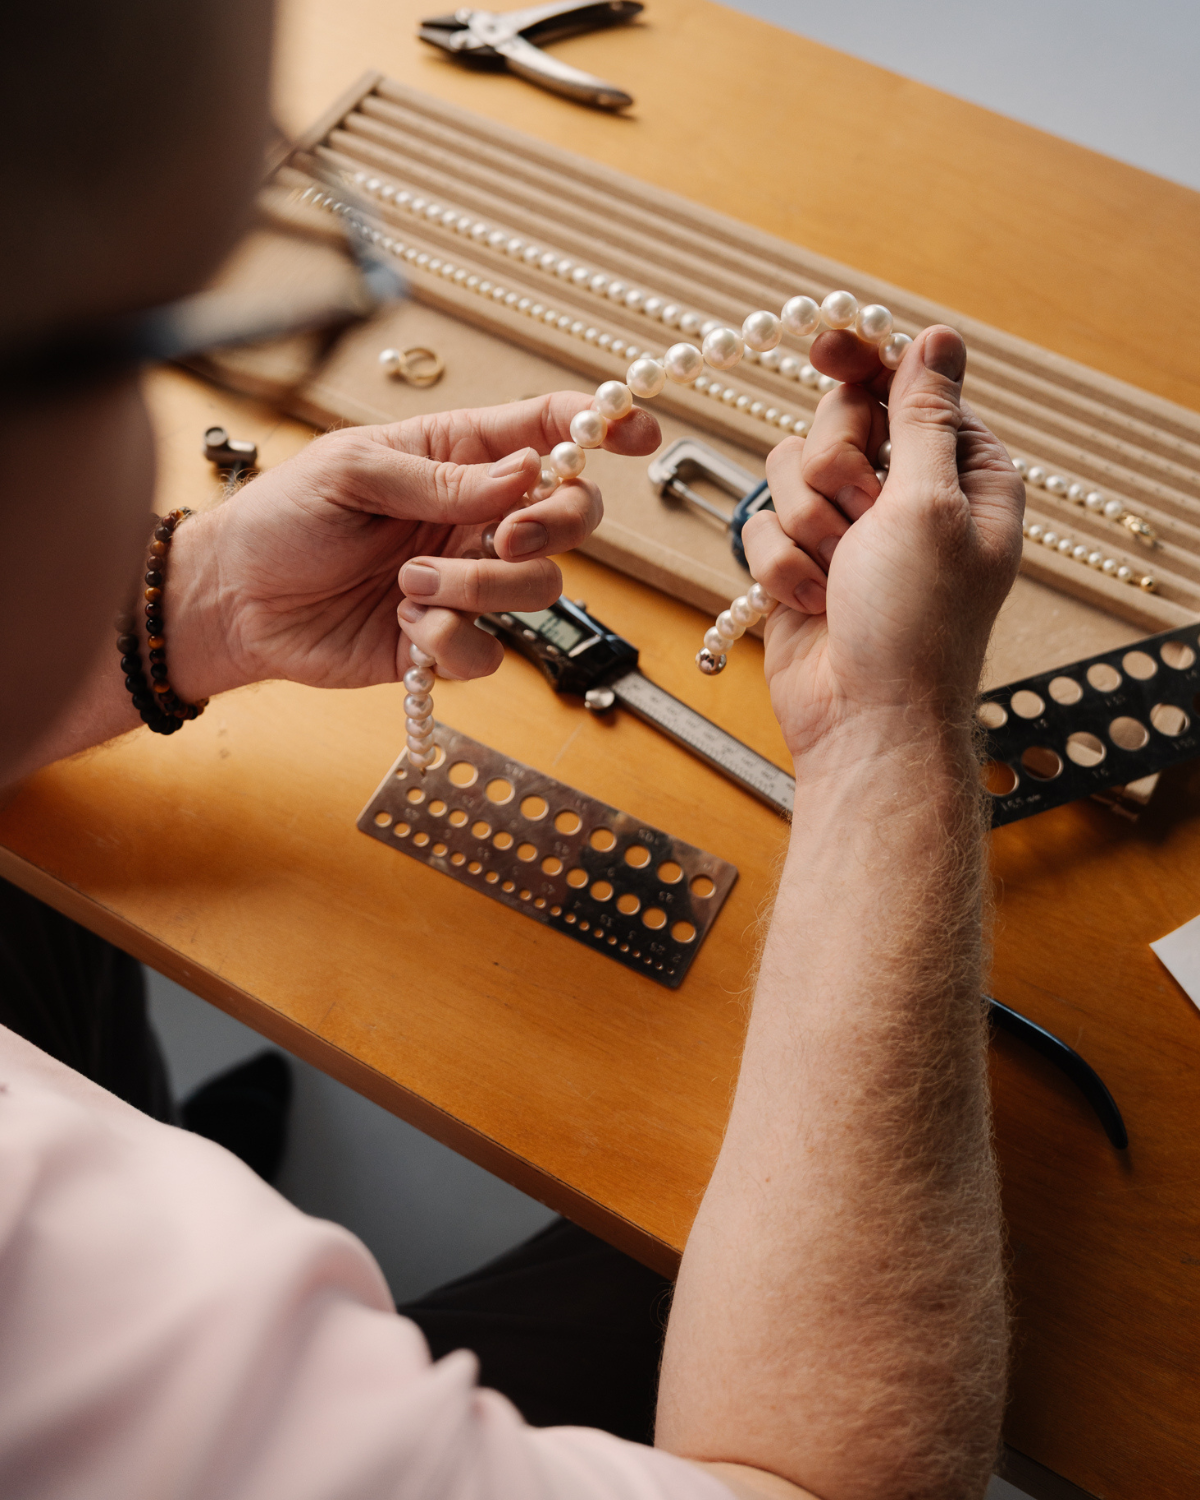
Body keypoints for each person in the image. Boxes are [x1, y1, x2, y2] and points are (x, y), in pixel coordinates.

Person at [0, 2, 1022, 1496]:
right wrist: (886, 738)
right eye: (183, 303)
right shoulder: (52, 1294)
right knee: (665, 1264)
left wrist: (194, 602)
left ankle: (185, 1147)